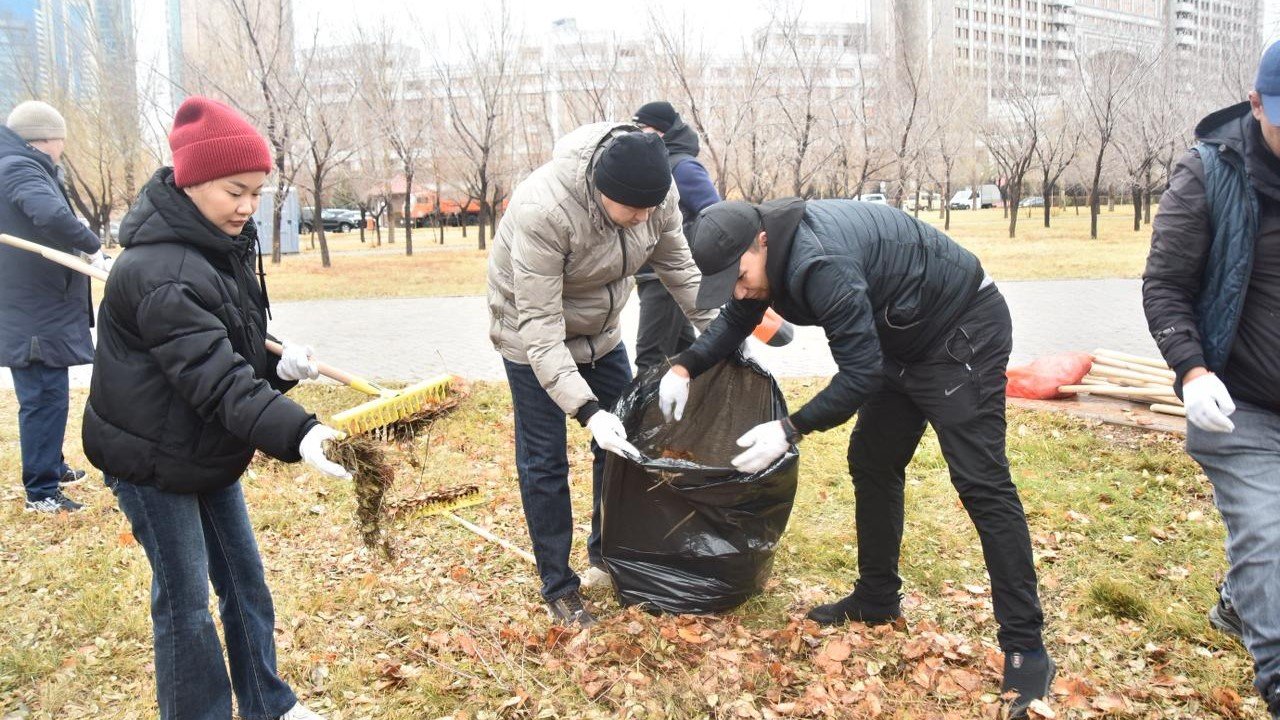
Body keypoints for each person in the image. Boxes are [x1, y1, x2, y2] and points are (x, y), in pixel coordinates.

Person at [657, 198, 1055, 717]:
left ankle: (1025, 646)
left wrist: (789, 428)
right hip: (900, 339)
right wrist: (684, 367)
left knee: (981, 483)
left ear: (761, 242)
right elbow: (737, 317)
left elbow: (859, 376)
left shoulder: (819, 263)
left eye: (740, 276)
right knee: (872, 462)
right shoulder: (762, 259)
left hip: (961, 333)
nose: (739, 290)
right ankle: (876, 598)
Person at [82, 96, 348, 720]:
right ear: (193, 179)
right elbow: (215, 379)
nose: (248, 207)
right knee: (184, 601)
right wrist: (300, 433)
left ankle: (267, 704)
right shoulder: (158, 272)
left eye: (257, 193)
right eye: (237, 190)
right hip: (148, 455)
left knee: (243, 582)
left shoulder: (216, 249)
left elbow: (230, 357)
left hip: (202, 445)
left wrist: (276, 369)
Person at [488, 123, 717, 627]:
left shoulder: (658, 195)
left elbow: (680, 268)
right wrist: (588, 410)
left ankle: (606, 556)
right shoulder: (543, 211)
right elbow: (541, 330)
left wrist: (723, 337)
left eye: (649, 210)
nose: (641, 220)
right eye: (631, 210)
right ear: (599, 192)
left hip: (603, 335)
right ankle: (559, 585)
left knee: (622, 448)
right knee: (545, 462)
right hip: (530, 341)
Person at [1142, 39, 1280, 719]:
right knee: (1268, 530)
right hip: (1239, 399)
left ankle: (1238, 601)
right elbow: (1165, 285)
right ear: (1256, 104)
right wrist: (1192, 371)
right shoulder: (1206, 173)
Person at [0, 100, 106, 512]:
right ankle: (41, 492)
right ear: (47, 140)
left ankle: (52, 465)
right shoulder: (21, 167)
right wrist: (90, 243)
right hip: (33, 311)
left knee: (50, 391)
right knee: (44, 395)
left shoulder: (11, 164)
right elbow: (47, 212)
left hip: (33, 305)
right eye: (61, 141)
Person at [631, 101, 792, 372]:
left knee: (651, 356)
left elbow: (716, 216)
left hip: (669, 273)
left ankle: (643, 414)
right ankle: (692, 406)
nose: (638, 135)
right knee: (682, 348)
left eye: (642, 129)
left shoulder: (681, 168)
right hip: (654, 272)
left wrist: (694, 246)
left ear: (661, 131)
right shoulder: (656, 164)